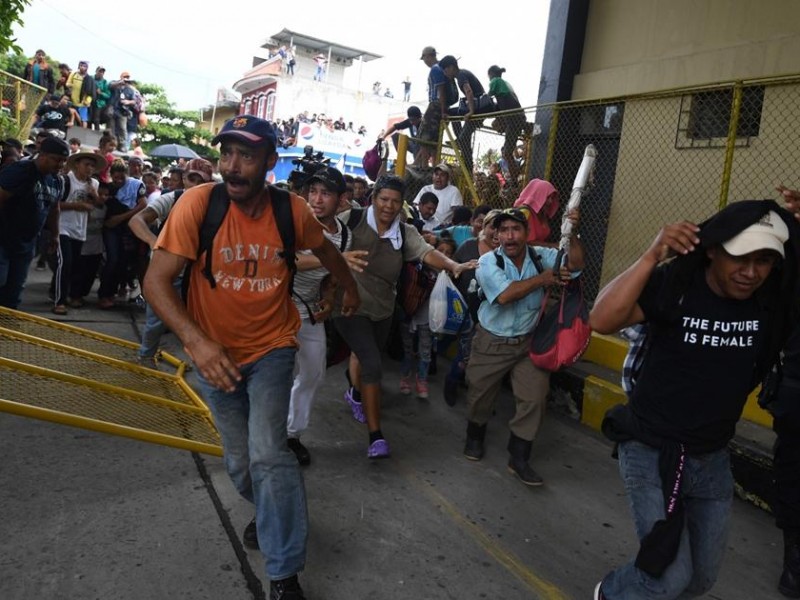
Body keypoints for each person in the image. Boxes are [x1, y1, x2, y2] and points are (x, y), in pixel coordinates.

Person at [144, 115, 359, 600]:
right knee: (242, 466)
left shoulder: (292, 211)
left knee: (268, 454)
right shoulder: (199, 204)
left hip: (272, 348)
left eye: (246, 156)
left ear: (269, 162)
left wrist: (347, 289)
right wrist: (197, 343)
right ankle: (271, 511)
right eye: (226, 154)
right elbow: (155, 282)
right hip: (214, 356)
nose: (233, 167)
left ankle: (283, 574)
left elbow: (327, 251)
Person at [589, 201, 800, 600]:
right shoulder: (679, 285)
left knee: (699, 581)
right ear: (712, 250)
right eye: (740, 258)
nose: (751, 272)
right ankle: (611, 593)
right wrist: (653, 254)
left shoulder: (771, 300)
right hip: (650, 448)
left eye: (764, 261)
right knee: (666, 578)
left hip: (711, 458)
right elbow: (601, 318)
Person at [333, 174, 477, 459]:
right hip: (349, 304)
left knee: (364, 355)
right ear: (373, 199)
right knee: (373, 364)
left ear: (402, 205)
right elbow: (324, 243)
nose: (389, 206)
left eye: (395, 201)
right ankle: (376, 437)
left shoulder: (405, 232)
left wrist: (453, 265)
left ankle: (356, 393)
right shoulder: (351, 219)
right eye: (383, 199)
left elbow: (426, 253)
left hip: (384, 308)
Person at [463, 206, 583, 486]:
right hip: (492, 341)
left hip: (528, 343)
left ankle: (519, 458)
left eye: (516, 229)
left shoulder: (542, 257)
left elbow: (575, 264)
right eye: (503, 230)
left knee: (534, 398)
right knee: (480, 396)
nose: (510, 235)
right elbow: (504, 296)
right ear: (496, 235)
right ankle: (475, 435)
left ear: (527, 233)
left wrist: (572, 231)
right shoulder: (488, 263)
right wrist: (544, 280)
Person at [284, 167, 367, 469]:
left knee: (312, 373)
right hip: (277, 308)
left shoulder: (343, 236)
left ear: (342, 199)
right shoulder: (294, 223)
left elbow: (331, 277)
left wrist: (330, 297)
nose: (317, 200)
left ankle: (291, 435)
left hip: (309, 312)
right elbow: (289, 261)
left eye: (326, 193)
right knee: (275, 374)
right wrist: (336, 259)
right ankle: (267, 432)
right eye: (313, 192)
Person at [128, 158, 214, 367]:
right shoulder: (172, 198)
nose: (196, 184)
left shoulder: (216, 205)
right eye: (192, 178)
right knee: (156, 320)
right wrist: (153, 241)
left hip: (199, 273)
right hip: (168, 272)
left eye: (201, 180)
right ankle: (146, 356)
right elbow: (136, 220)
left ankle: (203, 363)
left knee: (202, 322)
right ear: (184, 179)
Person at [0, 137, 69, 309]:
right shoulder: (20, 171)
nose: (60, 165)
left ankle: (6, 329)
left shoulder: (57, 181)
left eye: (63, 161)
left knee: (14, 291)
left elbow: (54, 209)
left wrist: (55, 235)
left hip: (27, 243)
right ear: (42, 155)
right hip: (3, 239)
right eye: (56, 160)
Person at [444, 208, 501, 406]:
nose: (496, 232)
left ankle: (463, 382)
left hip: (489, 314)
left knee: (475, 354)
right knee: (465, 352)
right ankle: (452, 381)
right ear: (484, 228)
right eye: (493, 226)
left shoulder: (504, 254)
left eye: (500, 228)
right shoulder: (468, 246)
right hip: (464, 309)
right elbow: (452, 272)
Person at [51, 150, 103, 315]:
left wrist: (94, 196)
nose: (89, 168)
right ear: (77, 165)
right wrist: (77, 206)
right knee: (64, 263)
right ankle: (59, 301)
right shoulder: (66, 180)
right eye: (86, 164)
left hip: (80, 229)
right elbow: (55, 204)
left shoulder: (94, 184)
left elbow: (98, 204)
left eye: (92, 166)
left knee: (74, 265)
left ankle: (62, 293)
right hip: (63, 227)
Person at [97, 160, 146, 309]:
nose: (118, 181)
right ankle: (104, 294)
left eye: (121, 178)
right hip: (111, 228)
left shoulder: (136, 185)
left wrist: (121, 218)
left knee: (123, 262)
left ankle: (114, 291)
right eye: (115, 178)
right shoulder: (109, 188)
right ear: (111, 175)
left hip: (128, 228)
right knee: (112, 259)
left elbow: (143, 204)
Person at [438, 55, 489, 174]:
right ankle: (460, 143)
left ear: (451, 67)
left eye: (445, 70)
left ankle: (468, 167)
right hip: (479, 106)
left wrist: (471, 111)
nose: (445, 74)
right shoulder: (463, 73)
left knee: (464, 137)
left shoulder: (460, 75)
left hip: (479, 108)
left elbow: (468, 91)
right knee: (453, 116)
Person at [417, 46, 459, 167]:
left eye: (424, 57)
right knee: (436, 141)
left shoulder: (435, 69)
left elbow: (441, 91)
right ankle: (434, 166)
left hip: (436, 106)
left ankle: (424, 167)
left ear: (428, 56)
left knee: (424, 139)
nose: (424, 61)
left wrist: (442, 110)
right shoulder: (444, 68)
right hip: (443, 107)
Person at [487, 65, 527, 185]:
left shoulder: (496, 81)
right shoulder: (506, 86)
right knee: (507, 152)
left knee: (507, 153)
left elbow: (488, 98)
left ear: (491, 75)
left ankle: (514, 180)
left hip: (513, 119)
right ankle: (515, 176)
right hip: (517, 117)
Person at [513, 178, 561, 245]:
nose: (550, 201)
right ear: (538, 195)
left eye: (552, 198)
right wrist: (553, 246)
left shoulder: (542, 214)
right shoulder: (525, 213)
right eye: (547, 197)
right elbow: (528, 243)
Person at [65, 60, 95, 127]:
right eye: (81, 65)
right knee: (71, 116)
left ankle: (82, 133)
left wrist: (88, 101)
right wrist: (73, 85)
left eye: (84, 66)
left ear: (87, 68)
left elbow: (91, 93)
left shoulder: (89, 79)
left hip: (82, 103)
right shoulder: (74, 74)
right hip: (72, 101)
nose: (82, 67)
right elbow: (67, 84)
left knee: (83, 120)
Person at [90, 66, 111, 131]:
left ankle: (97, 133)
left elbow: (108, 95)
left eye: (102, 72)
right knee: (88, 119)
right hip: (89, 101)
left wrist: (101, 93)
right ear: (96, 71)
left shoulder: (105, 82)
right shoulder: (91, 78)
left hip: (99, 103)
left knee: (96, 119)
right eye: (100, 71)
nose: (101, 73)